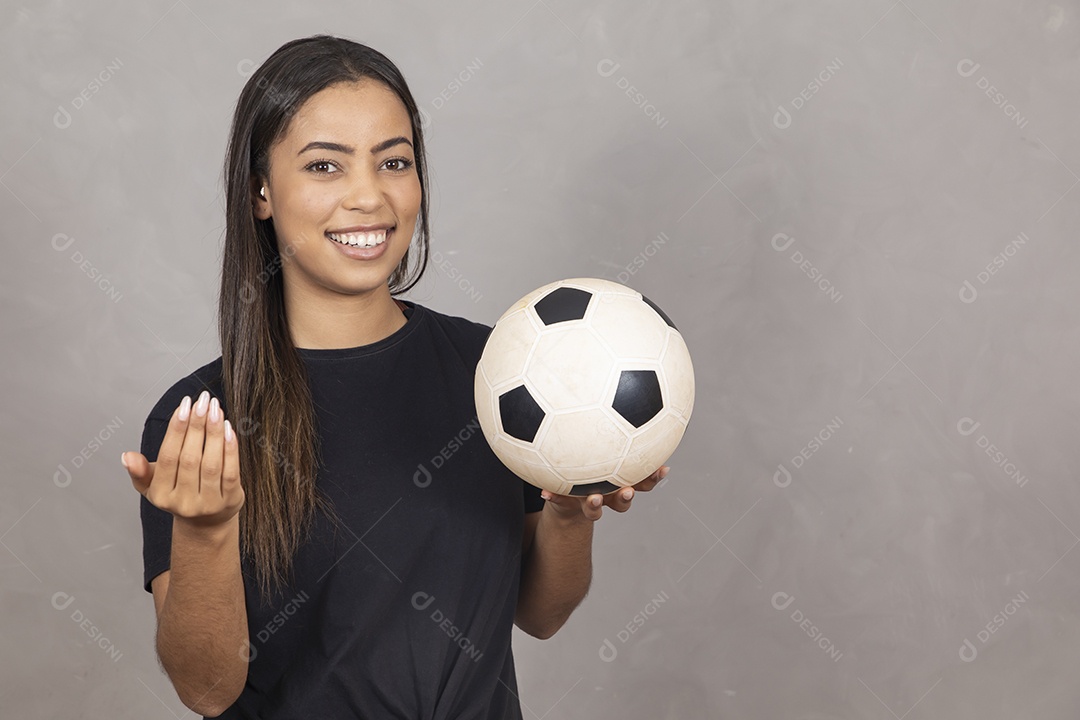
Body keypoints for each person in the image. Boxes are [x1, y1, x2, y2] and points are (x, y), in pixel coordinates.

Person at [119, 35, 668, 719]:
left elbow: (541, 613)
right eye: (325, 166)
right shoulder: (203, 419)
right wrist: (203, 535)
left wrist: (566, 510)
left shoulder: (499, 374)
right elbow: (207, 690)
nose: (368, 197)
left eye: (395, 162)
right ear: (261, 191)